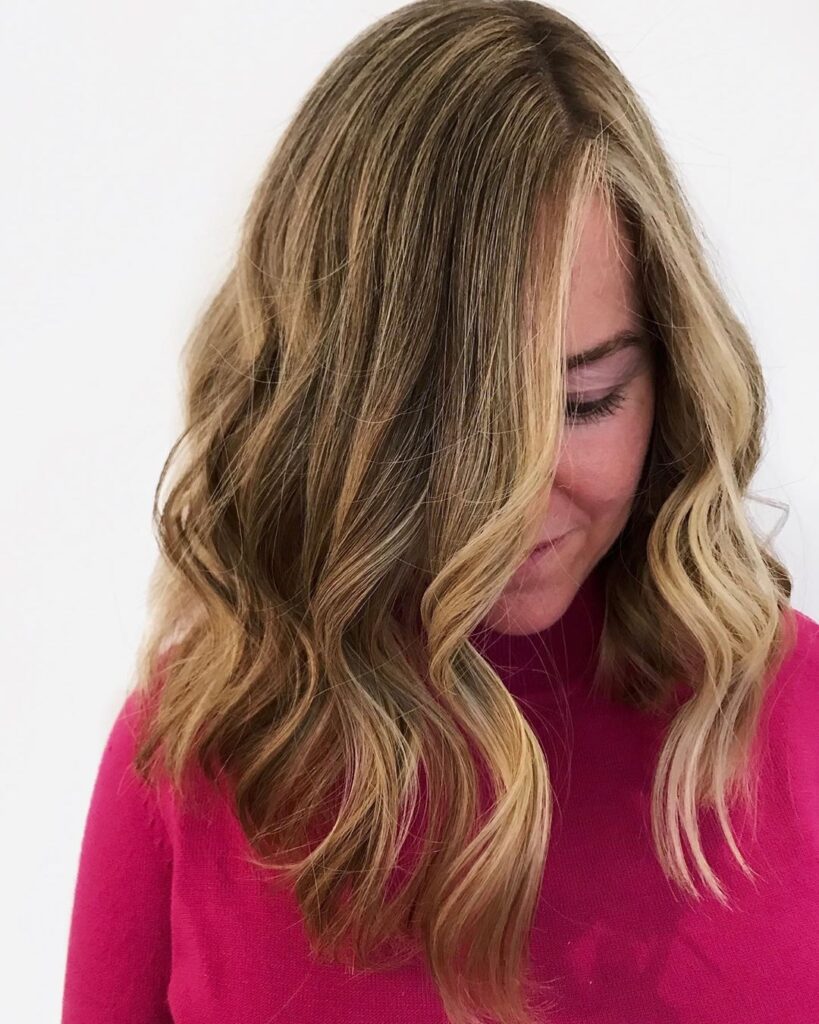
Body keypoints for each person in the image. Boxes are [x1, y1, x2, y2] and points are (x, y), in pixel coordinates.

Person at [61, 2, 819, 1023]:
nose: (517, 497)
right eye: (447, 420)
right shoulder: (198, 753)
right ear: (322, 410)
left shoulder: (799, 720)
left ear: (671, 371)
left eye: (585, 400)